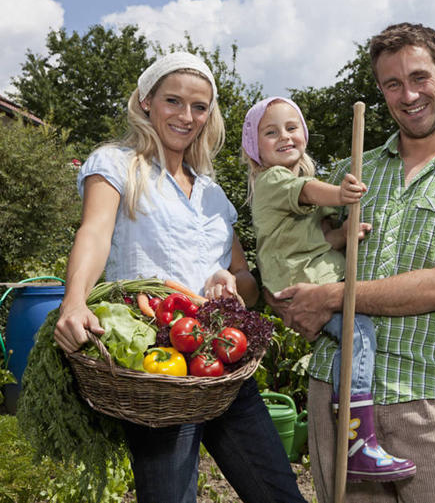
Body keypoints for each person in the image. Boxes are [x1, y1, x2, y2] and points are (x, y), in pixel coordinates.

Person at [268, 22, 435, 502]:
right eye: (393, 84)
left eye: (420, 77)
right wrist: (292, 297)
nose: (409, 95)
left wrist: (332, 296)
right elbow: (295, 247)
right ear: (381, 92)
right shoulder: (350, 171)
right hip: (337, 393)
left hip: (430, 396)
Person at [53, 52, 306, 503]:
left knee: (279, 493)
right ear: (147, 101)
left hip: (220, 361)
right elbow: (93, 233)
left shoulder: (212, 193)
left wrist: (233, 287)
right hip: (159, 370)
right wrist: (74, 302)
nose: (186, 116)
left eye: (199, 107)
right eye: (174, 101)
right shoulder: (116, 164)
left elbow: (244, 276)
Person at [241, 95, 416, 482]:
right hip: (299, 286)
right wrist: (340, 195)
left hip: (311, 277)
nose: (284, 136)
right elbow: (305, 190)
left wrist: (343, 235)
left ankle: (356, 434)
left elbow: (315, 242)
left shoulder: (294, 179)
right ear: (256, 148)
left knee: (355, 337)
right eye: (270, 133)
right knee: (359, 333)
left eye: (291, 127)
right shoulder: (271, 180)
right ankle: (358, 440)